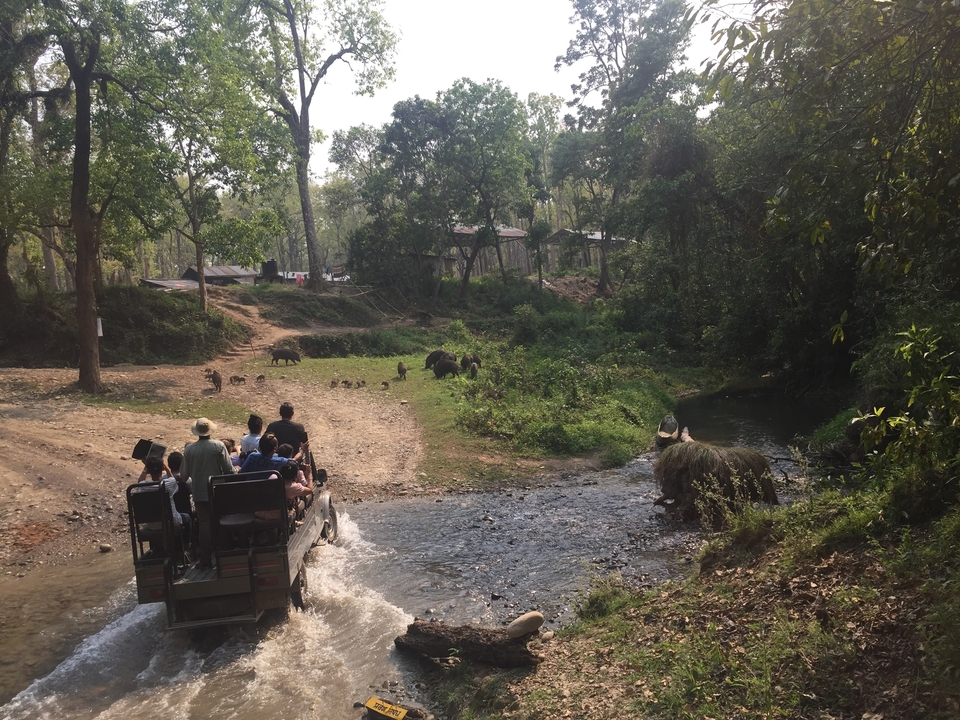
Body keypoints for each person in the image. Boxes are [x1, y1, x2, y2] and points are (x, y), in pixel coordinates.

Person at [181, 417, 235, 568]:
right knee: (221, 522)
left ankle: (205, 560)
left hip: (199, 493)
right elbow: (229, 470)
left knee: (204, 527)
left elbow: (184, 475)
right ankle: (224, 556)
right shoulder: (218, 446)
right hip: (217, 491)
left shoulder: (189, 449)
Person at [137, 455, 191, 550]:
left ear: (148, 471)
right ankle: (186, 547)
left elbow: (140, 481)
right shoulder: (168, 484)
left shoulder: (143, 486)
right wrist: (166, 469)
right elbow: (172, 479)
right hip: (171, 522)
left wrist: (146, 468)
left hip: (152, 525)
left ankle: (156, 549)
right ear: (162, 468)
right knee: (186, 517)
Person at [240, 433, 305, 473]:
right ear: (275, 448)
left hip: (251, 490)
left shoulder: (252, 456)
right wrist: (302, 450)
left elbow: (242, 471)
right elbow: (293, 461)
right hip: (272, 493)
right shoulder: (281, 461)